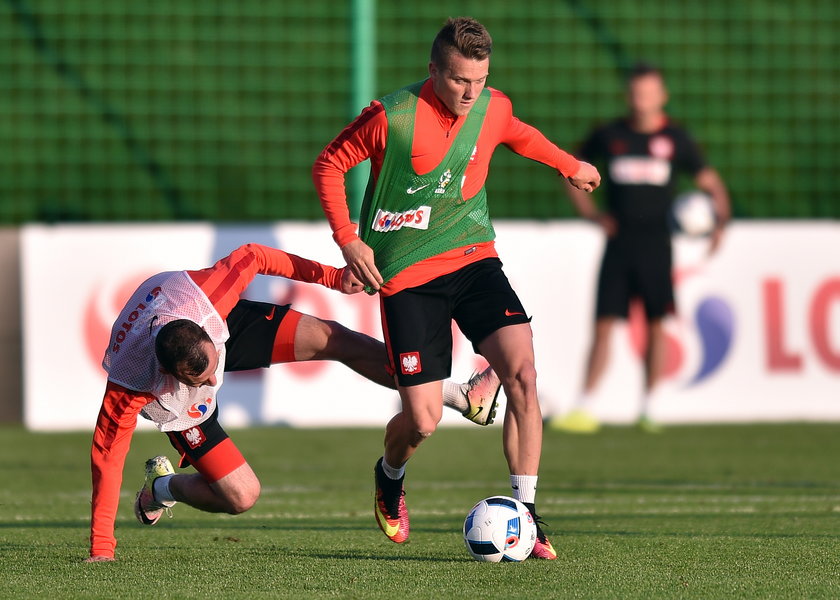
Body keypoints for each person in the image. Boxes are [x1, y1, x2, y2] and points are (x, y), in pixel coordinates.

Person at [312, 17, 600, 560]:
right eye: (459, 79)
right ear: (433, 70)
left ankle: (528, 514)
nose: (471, 92)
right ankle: (390, 475)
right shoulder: (391, 117)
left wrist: (570, 165)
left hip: (472, 257)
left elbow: (521, 136)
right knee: (423, 420)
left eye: (480, 79)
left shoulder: (493, 106)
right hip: (407, 277)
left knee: (523, 374)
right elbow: (329, 163)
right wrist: (350, 241)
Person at [86, 243, 502, 562]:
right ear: (174, 376)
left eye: (214, 367)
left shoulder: (209, 298)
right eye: (204, 378)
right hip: (174, 391)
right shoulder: (133, 385)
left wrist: (334, 277)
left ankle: (459, 395)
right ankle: (161, 488)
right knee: (241, 497)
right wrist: (102, 547)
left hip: (212, 320)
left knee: (336, 338)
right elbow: (106, 456)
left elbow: (256, 255)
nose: (216, 379)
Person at [548, 62, 731, 434]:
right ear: (627, 95)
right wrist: (592, 214)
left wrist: (719, 224)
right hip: (618, 245)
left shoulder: (676, 140)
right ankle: (585, 406)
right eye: (635, 92)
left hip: (657, 248)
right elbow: (569, 169)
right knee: (603, 325)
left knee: (656, 324)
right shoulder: (610, 135)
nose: (641, 99)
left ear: (662, 96)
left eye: (648, 92)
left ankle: (650, 406)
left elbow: (712, 183)